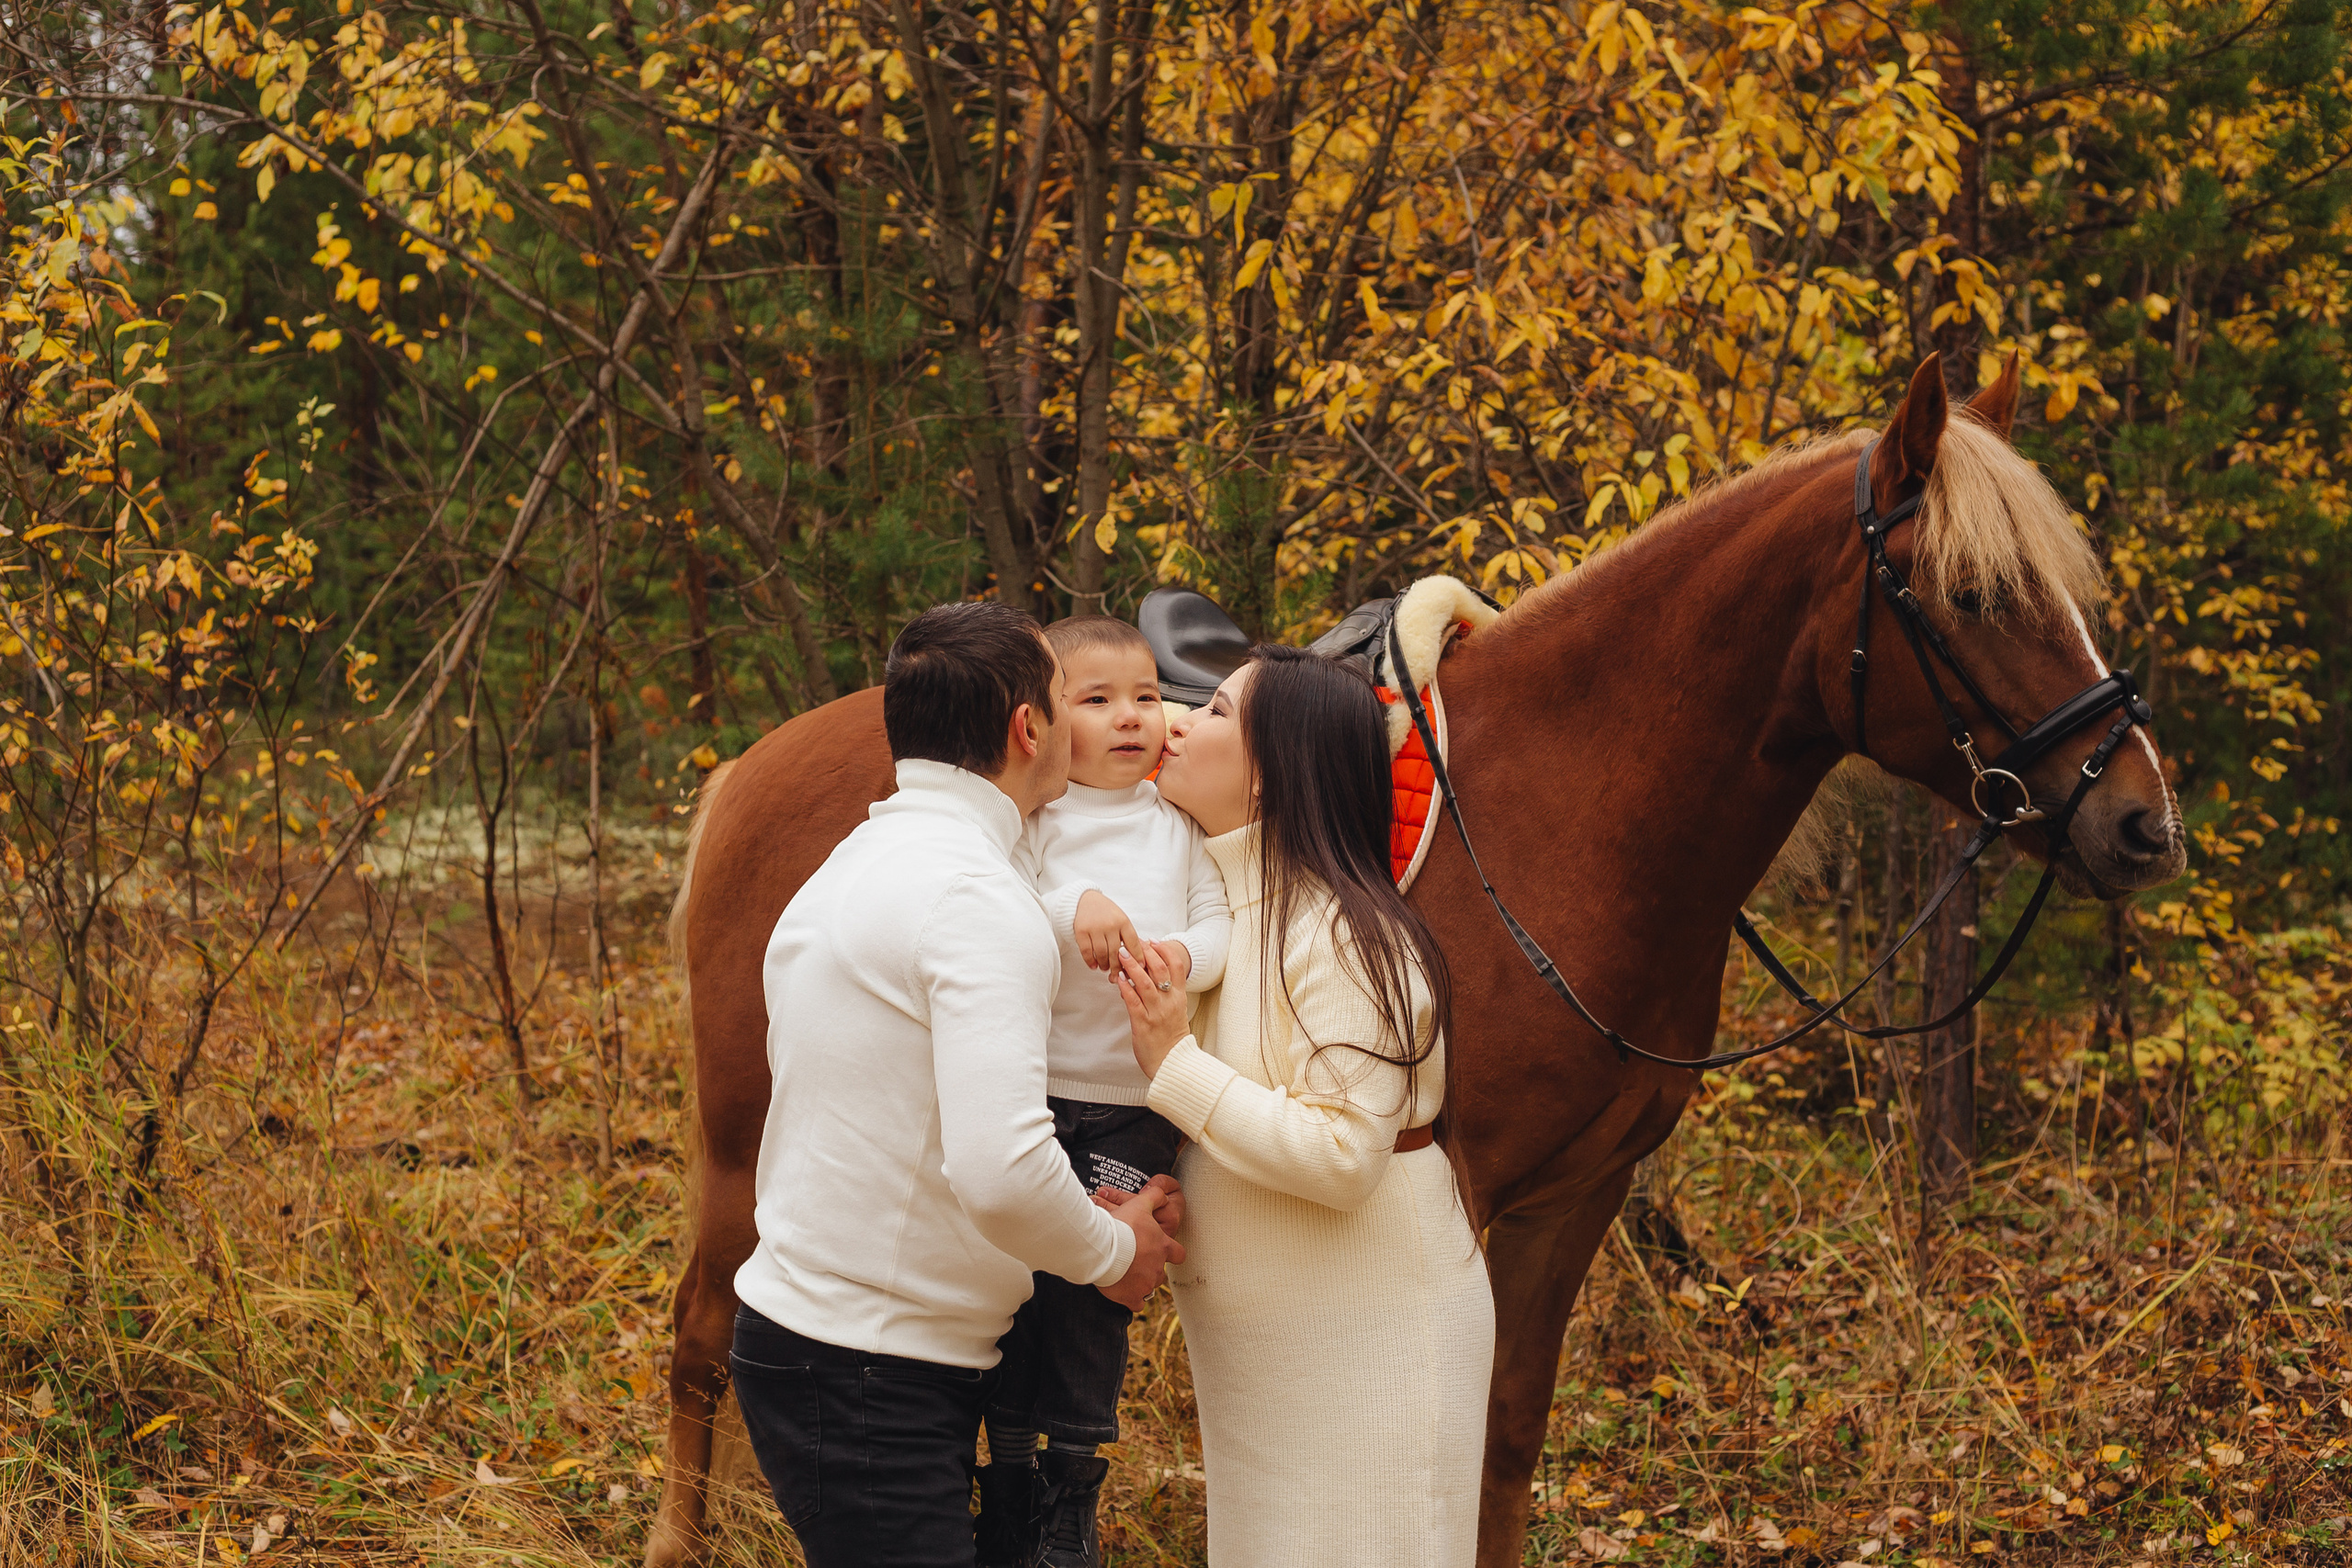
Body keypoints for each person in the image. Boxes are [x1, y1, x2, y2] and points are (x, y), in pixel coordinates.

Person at [729, 602, 1186, 1568]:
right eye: (1067, 699)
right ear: (1029, 729)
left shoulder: (863, 858)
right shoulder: (977, 904)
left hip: (833, 1339)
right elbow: (1002, 1169)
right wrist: (1117, 1251)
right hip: (869, 1364)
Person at [1111, 644, 1493, 1568]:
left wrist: (1173, 1065)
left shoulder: (1347, 934)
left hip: (1371, 1344)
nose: (1178, 722)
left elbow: (1340, 1157)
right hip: (1271, 1360)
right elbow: (1235, 1118)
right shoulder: (1227, 923)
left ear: (1269, 773)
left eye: (1214, 712)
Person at [979, 615, 1232, 1568]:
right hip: (1040, 1094)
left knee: (1094, 1294)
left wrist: (1182, 958)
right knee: (1018, 1285)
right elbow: (997, 902)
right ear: (1044, 722)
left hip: (1133, 1106)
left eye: (1145, 696)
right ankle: (1006, 1477)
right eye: (1097, 699)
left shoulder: (1177, 823)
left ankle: (1070, 1490)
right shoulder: (1032, 824)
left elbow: (1219, 925)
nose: (1131, 716)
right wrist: (1071, 906)